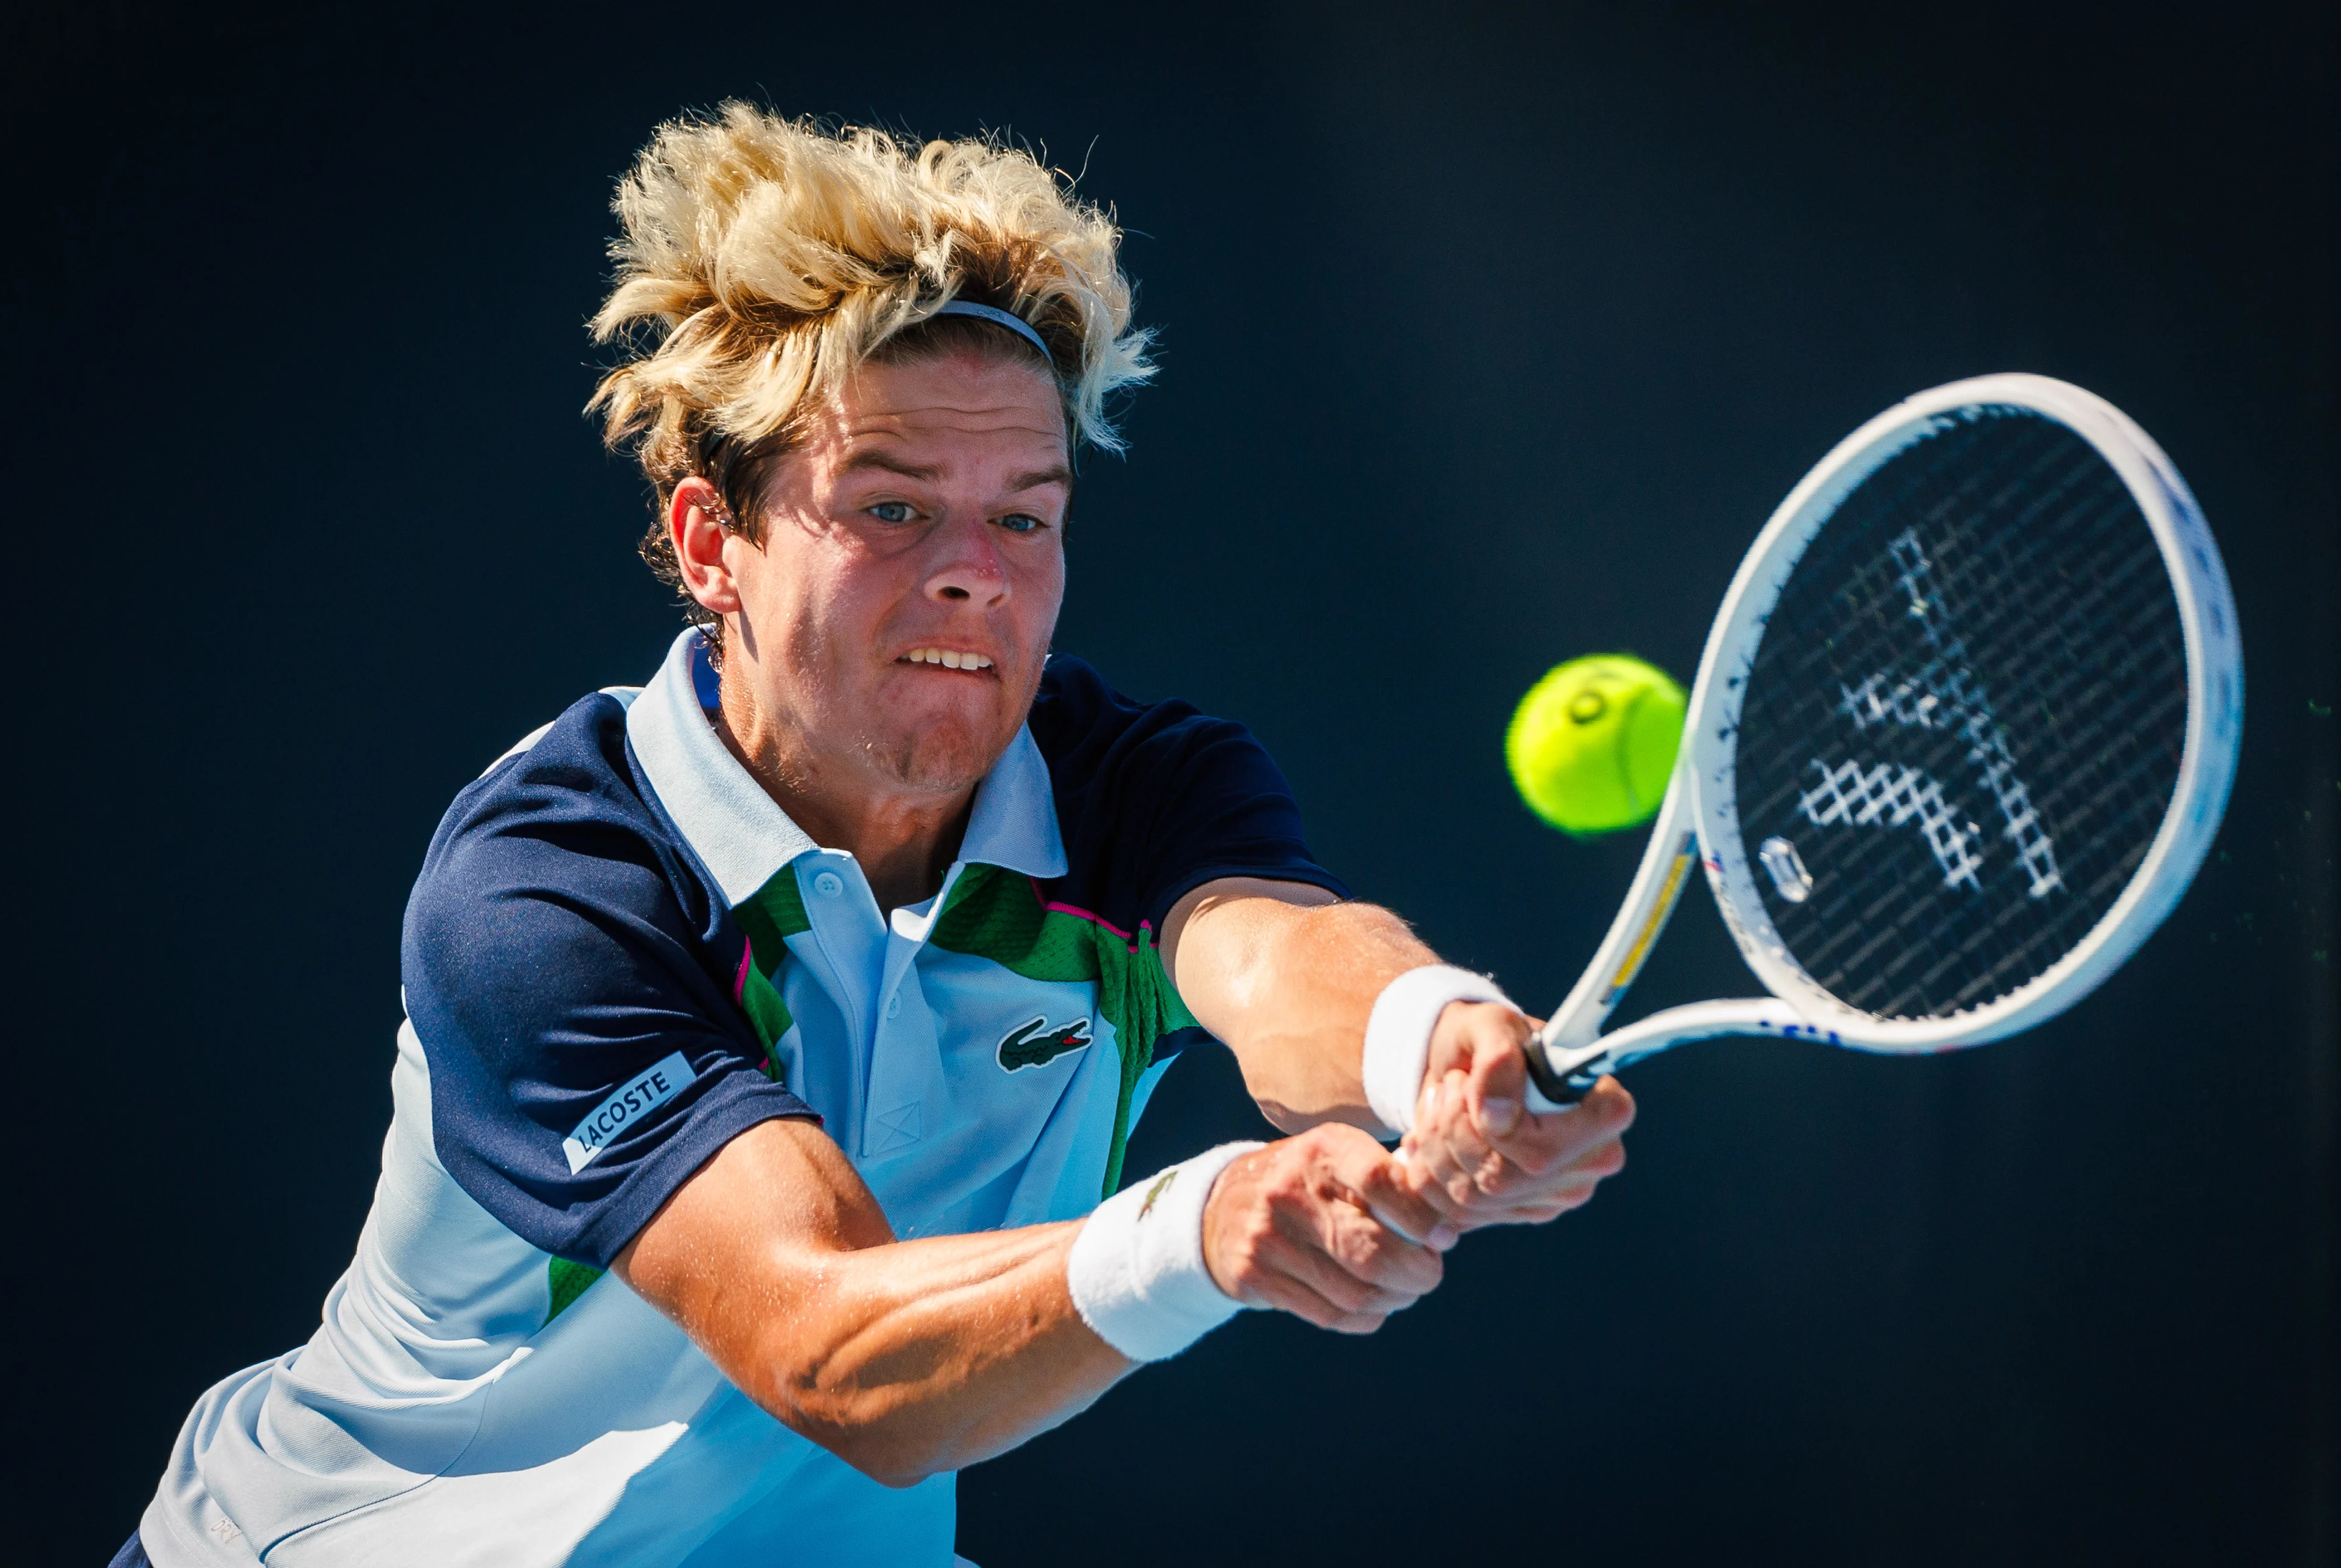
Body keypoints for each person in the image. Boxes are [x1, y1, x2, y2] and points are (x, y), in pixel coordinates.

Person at [124, 105, 1635, 1568]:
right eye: (894, 510)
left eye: (1026, 517)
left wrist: (1424, 1039)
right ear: (715, 539)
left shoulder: (1141, 789)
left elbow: (1279, 954)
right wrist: (1204, 1225)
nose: (977, 575)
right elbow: (827, 1336)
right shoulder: (548, 882)